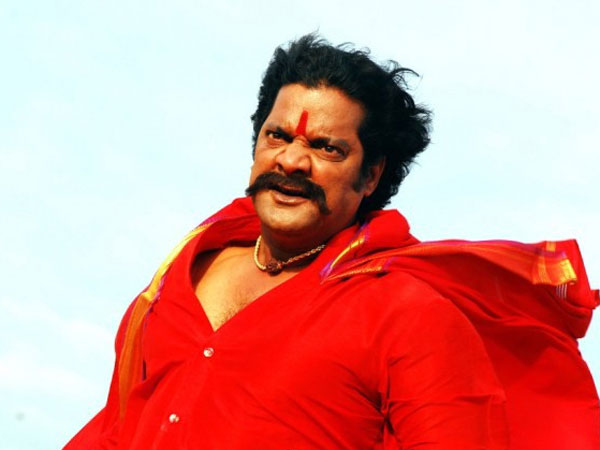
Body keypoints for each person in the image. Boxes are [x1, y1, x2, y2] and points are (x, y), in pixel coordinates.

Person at [64, 35, 599, 449]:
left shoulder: (407, 312)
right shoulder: (177, 277)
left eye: (327, 148)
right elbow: (118, 428)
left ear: (371, 176)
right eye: (277, 136)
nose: (292, 160)